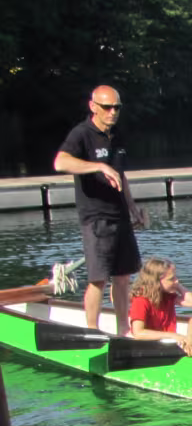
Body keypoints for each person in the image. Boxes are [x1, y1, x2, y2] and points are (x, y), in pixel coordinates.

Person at [53, 85, 147, 334]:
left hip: (120, 215)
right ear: (93, 106)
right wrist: (97, 166)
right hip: (96, 217)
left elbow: (121, 176)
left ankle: (123, 329)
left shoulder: (118, 135)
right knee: (98, 279)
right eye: (107, 107)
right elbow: (60, 161)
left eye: (117, 107)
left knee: (124, 276)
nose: (112, 112)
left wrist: (133, 207)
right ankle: (92, 330)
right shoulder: (82, 133)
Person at [128, 258, 192, 347]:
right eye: (171, 279)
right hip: (148, 346)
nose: (177, 280)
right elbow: (138, 333)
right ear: (156, 282)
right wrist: (173, 336)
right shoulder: (141, 301)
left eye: (175, 277)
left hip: (166, 345)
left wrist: (177, 285)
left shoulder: (167, 296)